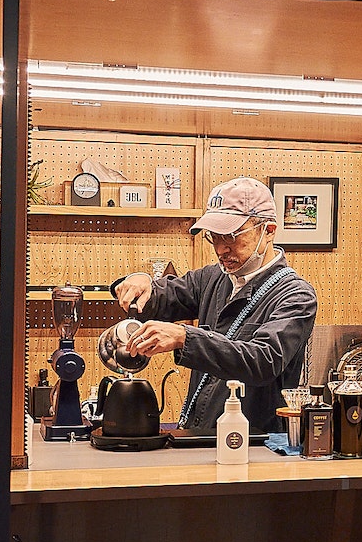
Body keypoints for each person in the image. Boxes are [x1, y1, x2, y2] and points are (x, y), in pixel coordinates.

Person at [110, 177, 317, 433]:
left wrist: (185, 338)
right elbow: (165, 295)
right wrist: (140, 284)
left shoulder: (295, 295)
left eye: (231, 236)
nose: (220, 249)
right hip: (203, 436)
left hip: (258, 445)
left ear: (269, 230)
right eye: (214, 237)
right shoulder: (212, 278)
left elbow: (262, 361)